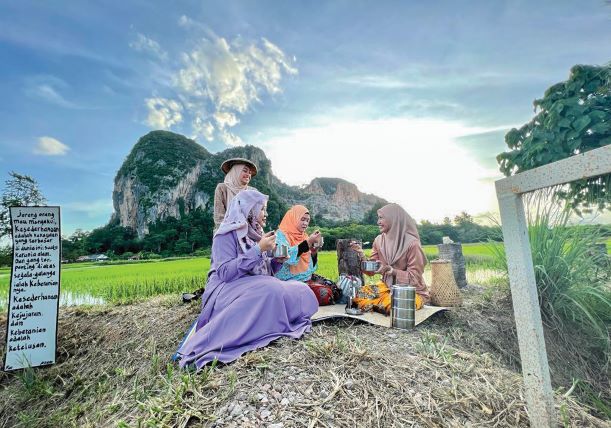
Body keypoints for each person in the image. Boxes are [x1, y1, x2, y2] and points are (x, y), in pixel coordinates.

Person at [175, 190, 318, 369]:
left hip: (256, 285)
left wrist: (276, 261)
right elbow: (225, 273)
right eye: (262, 209)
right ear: (250, 210)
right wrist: (258, 250)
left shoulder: (258, 235)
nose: (265, 214)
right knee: (271, 289)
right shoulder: (225, 235)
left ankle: (272, 320)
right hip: (226, 289)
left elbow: (265, 271)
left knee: (301, 289)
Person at [351, 203, 430, 313]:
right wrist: (361, 254)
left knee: (398, 305)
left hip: (410, 291)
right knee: (356, 295)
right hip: (385, 287)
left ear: (393, 219)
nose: (378, 222)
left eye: (381, 218)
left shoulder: (412, 244)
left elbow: (415, 278)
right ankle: (380, 305)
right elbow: (371, 271)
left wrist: (393, 271)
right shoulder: (379, 240)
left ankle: (379, 305)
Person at [274, 205, 339, 305]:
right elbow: (286, 257)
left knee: (336, 290)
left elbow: (310, 267)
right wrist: (308, 243)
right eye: (302, 219)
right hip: (288, 281)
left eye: (307, 221)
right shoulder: (280, 235)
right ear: (293, 218)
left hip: (307, 278)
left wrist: (314, 251)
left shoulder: (304, 236)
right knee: (324, 294)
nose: (305, 223)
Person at [213, 158, 258, 232]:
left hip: (248, 233)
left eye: (250, 172)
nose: (248, 175)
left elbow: (256, 217)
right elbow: (219, 218)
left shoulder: (253, 191)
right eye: (245, 171)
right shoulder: (222, 188)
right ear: (236, 171)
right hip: (225, 233)